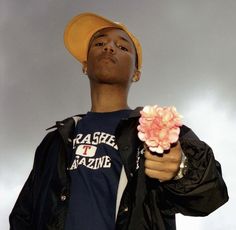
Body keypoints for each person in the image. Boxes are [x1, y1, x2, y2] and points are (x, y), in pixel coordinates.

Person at [9, 12, 228, 230]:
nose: (109, 47)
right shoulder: (55, 141)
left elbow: (211, 194)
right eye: (100, 43)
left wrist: (181, 169)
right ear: (85, 65)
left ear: (136, 74)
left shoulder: (160, 130)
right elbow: (23, 216)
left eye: (122, 47)